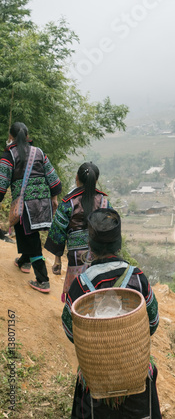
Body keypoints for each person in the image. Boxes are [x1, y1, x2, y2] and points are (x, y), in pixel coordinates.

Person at [62, 208, 161, 419]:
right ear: (119, 243)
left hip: (97, 379)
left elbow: (71, 331)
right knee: (147, 375)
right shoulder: (137, 278)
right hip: (134, 373)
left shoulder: (79, 285)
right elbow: (152, 322)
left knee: (85, 383)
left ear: (90, 245)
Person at [0, 122, 62, 293]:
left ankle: (43, 280)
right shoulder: (39, 152)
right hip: (42, 201)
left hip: (24, 203)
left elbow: (2, 183)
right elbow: (53, 178)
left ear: (11, 137)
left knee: (31, 238)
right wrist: (54, 198)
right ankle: (24, 261)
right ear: (27, 136)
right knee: (24, 230)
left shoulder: (8, 155)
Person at [44, 162, 112, 301]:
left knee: (77, 289)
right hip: (100, 254)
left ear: (76, 178)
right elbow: (111, 230)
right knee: (97, 288)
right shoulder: (104, 202)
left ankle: (73, 312)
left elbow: (58, 232)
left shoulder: (69, 202)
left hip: (76, 256)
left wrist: (57, 260)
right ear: (96, 181)